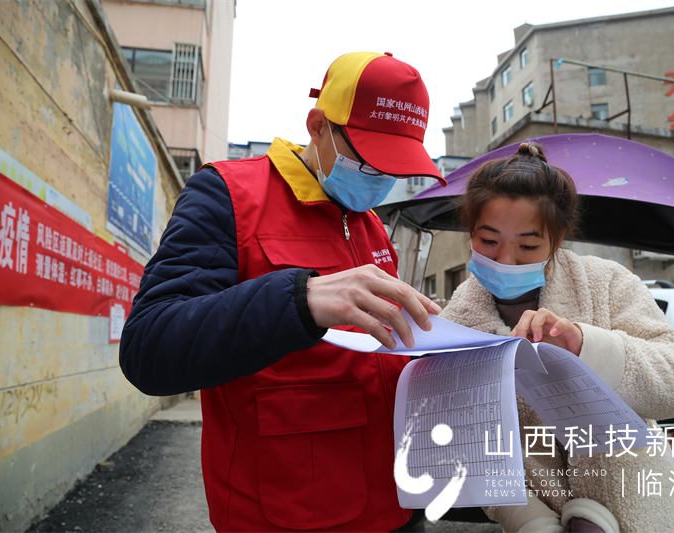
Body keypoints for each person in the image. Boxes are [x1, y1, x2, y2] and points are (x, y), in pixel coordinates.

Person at [120, 52, 444, 533]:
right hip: (292, 513)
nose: (381, 180)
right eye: (368, 162)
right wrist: (299, 301)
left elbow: (378, 356)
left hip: (399, 506)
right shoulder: (228, 194)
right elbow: (149, 348)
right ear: (318, 126)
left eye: (394, 169)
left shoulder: (373, 226)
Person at [439, 142, 674, 533]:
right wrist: (529, 519)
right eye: (488, 241)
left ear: (557, 240)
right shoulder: (456, 323)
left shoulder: (606, 284)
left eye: (528, 245)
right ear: (470, 232)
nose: (505, 259)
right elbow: (464, 448)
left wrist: (584, 346)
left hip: (636, 510)